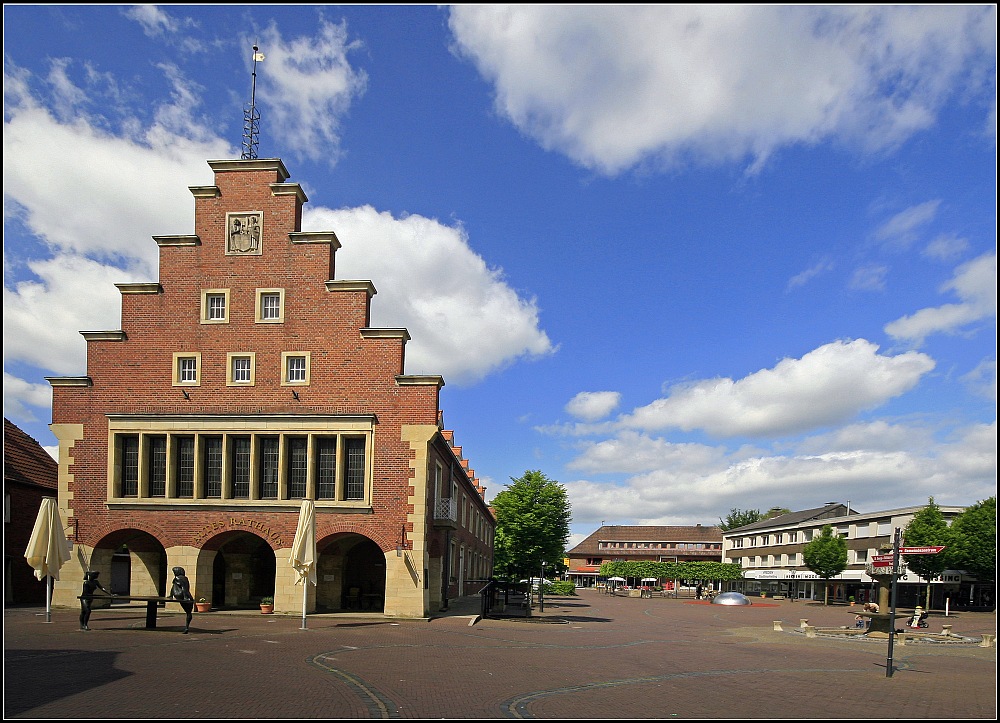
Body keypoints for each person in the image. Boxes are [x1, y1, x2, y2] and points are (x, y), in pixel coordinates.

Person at [169, 566, 195, 633]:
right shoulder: (184, 578)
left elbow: (184, 588)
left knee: (188, 612)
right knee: (189, 613)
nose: (174, 573)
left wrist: (185, 597)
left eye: (174, 571)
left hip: (182, 596)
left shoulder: (178, 578)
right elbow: (175, 587)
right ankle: (187, 627)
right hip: (184, 596)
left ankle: (186, 627)